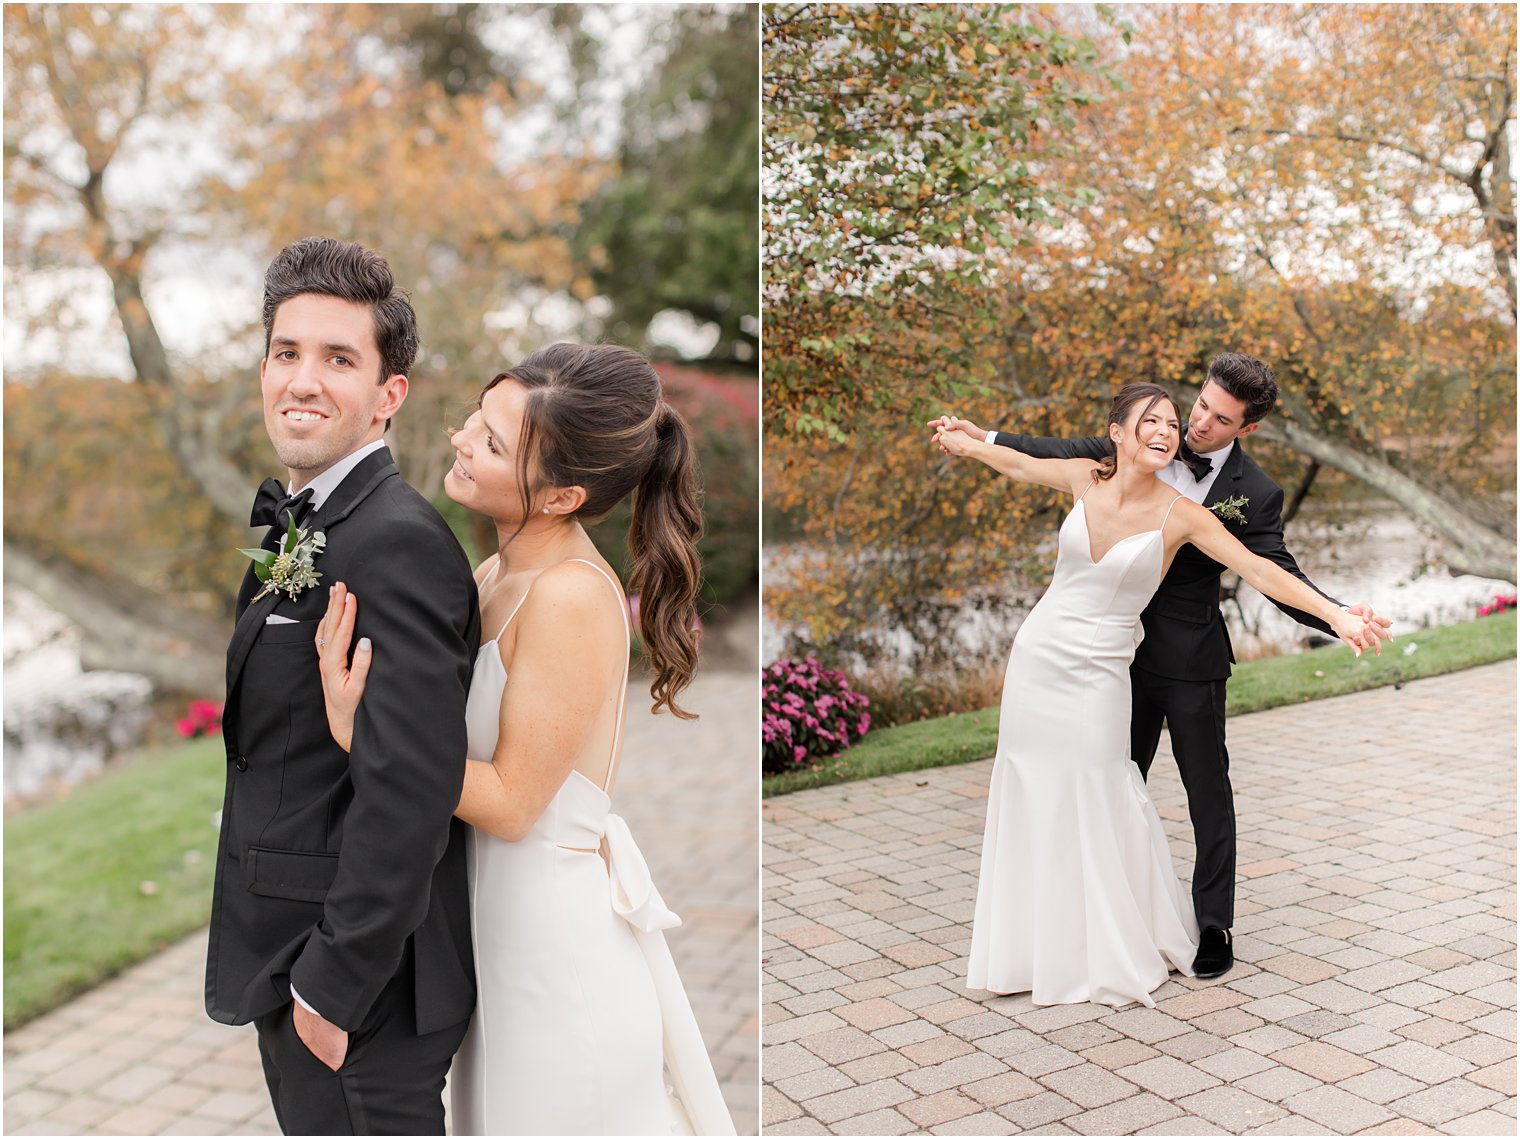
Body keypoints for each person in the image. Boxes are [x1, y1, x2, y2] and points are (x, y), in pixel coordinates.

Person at [315, 342, 737, 1135]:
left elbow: (511, 803)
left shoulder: (570, 595)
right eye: (477, 418)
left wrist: (361, 732)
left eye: (494, 443)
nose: (462, 440)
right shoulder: (492, 574)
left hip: (552, 951)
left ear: (562, 495)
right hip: (493, 935)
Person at [932, 354, 1391, 980]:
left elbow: (1270, 572)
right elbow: (1037, 452)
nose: (1195, 425)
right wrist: (977, 438)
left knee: (1206, 794)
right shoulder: (1128, 446)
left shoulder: (1251, 494)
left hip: (1189, 660)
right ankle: (1082, 919)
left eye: (1216, 418)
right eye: (1197, 406)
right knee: (1106, 788)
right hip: (1101, 662)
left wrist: (1339, 616)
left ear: (1245, 429)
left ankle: (1212, 927)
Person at [205, 237, 480, 1134]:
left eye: (338, 359)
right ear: (263, 368)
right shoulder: (313, 521)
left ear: (387, 395)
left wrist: (329, 990)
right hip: (294, 960)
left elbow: (412, 788)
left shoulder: (395, 542)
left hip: (358, 995)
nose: (304, 380)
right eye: (288, 353)